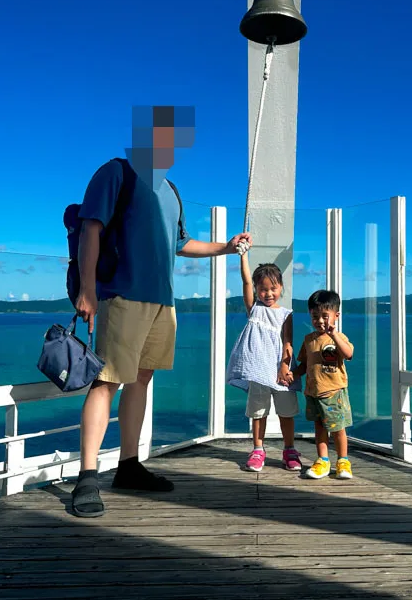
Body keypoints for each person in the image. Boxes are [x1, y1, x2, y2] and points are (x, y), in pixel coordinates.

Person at [71, 144, 250, 518]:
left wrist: (227, 247)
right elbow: (91, 226)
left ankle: (129, 464)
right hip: (122, 294)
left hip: (163, 302)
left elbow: (182, 243)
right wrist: (87, 289)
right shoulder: (117, 173)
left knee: (141, 378)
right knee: (107, 380)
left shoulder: (171, 191)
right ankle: (87, 475)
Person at [226, 252, 300, 472]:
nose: (268, 293)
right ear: (257, 290)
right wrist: (243, 256)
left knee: (286, 412)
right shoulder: (254, 309)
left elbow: (288, 343)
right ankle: (258, 449)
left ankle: (289, 450)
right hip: (258, 371)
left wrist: (284, 367)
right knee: (259, 413)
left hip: (280, 371)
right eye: (263, 289)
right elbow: (246, 280)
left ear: (281, 287)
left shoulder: (286, 314)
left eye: (273, 288)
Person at [292, 289, 355, 480]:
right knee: (319, 428)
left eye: (324, 316)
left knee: (338, 429)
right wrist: (292, 375)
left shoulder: (339, 337)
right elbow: (304, 364)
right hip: (313, 392)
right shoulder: (309, 340)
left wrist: (334, 335)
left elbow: (348, 354)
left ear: (336, 316)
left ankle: (343, 461)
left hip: (334, 392)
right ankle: (323, 460)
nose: (319, 321)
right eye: (315, 316)